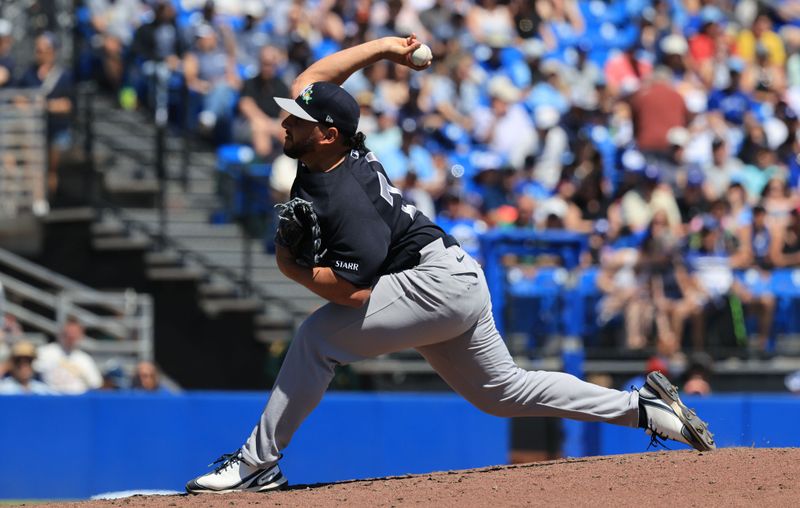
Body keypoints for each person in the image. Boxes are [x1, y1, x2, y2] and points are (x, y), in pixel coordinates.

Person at [185, 35, 716, 494]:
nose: (287, 121)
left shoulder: (345, 196)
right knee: (503, 393)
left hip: (431, 282)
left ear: (326, 134)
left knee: (316, 339)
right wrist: (386, 49)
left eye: (299, 120)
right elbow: (316, 78)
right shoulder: (327, 146)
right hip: (451, 276)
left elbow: (352, 295)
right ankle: (645, 409)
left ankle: (257, 464)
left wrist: (288, 265)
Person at [35, 317, 102, 394]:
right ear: (62, 333)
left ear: (80, 335)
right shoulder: (45, 352)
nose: (71, 336)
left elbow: (95, 384)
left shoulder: (85, 359)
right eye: (69, 333)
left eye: (74, 333)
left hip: (77, 401)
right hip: (51, 399)